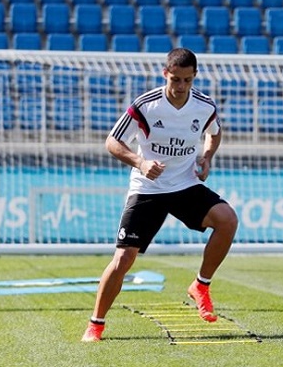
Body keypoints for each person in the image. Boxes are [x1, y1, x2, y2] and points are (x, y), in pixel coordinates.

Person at [81, 48, 238, 342]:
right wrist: (141, 162)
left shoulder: (204, 106)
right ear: (165, 73)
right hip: (148, 188)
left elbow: (214, 132)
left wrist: (206, 157)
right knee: (123, 259)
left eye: (187, 81)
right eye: (175, 80)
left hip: (185, 185)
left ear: (194, 78)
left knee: (227, 219)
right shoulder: (145, 105)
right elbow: (112, 142)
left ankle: (201, 285)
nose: (180, 87)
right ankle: (95, 324)